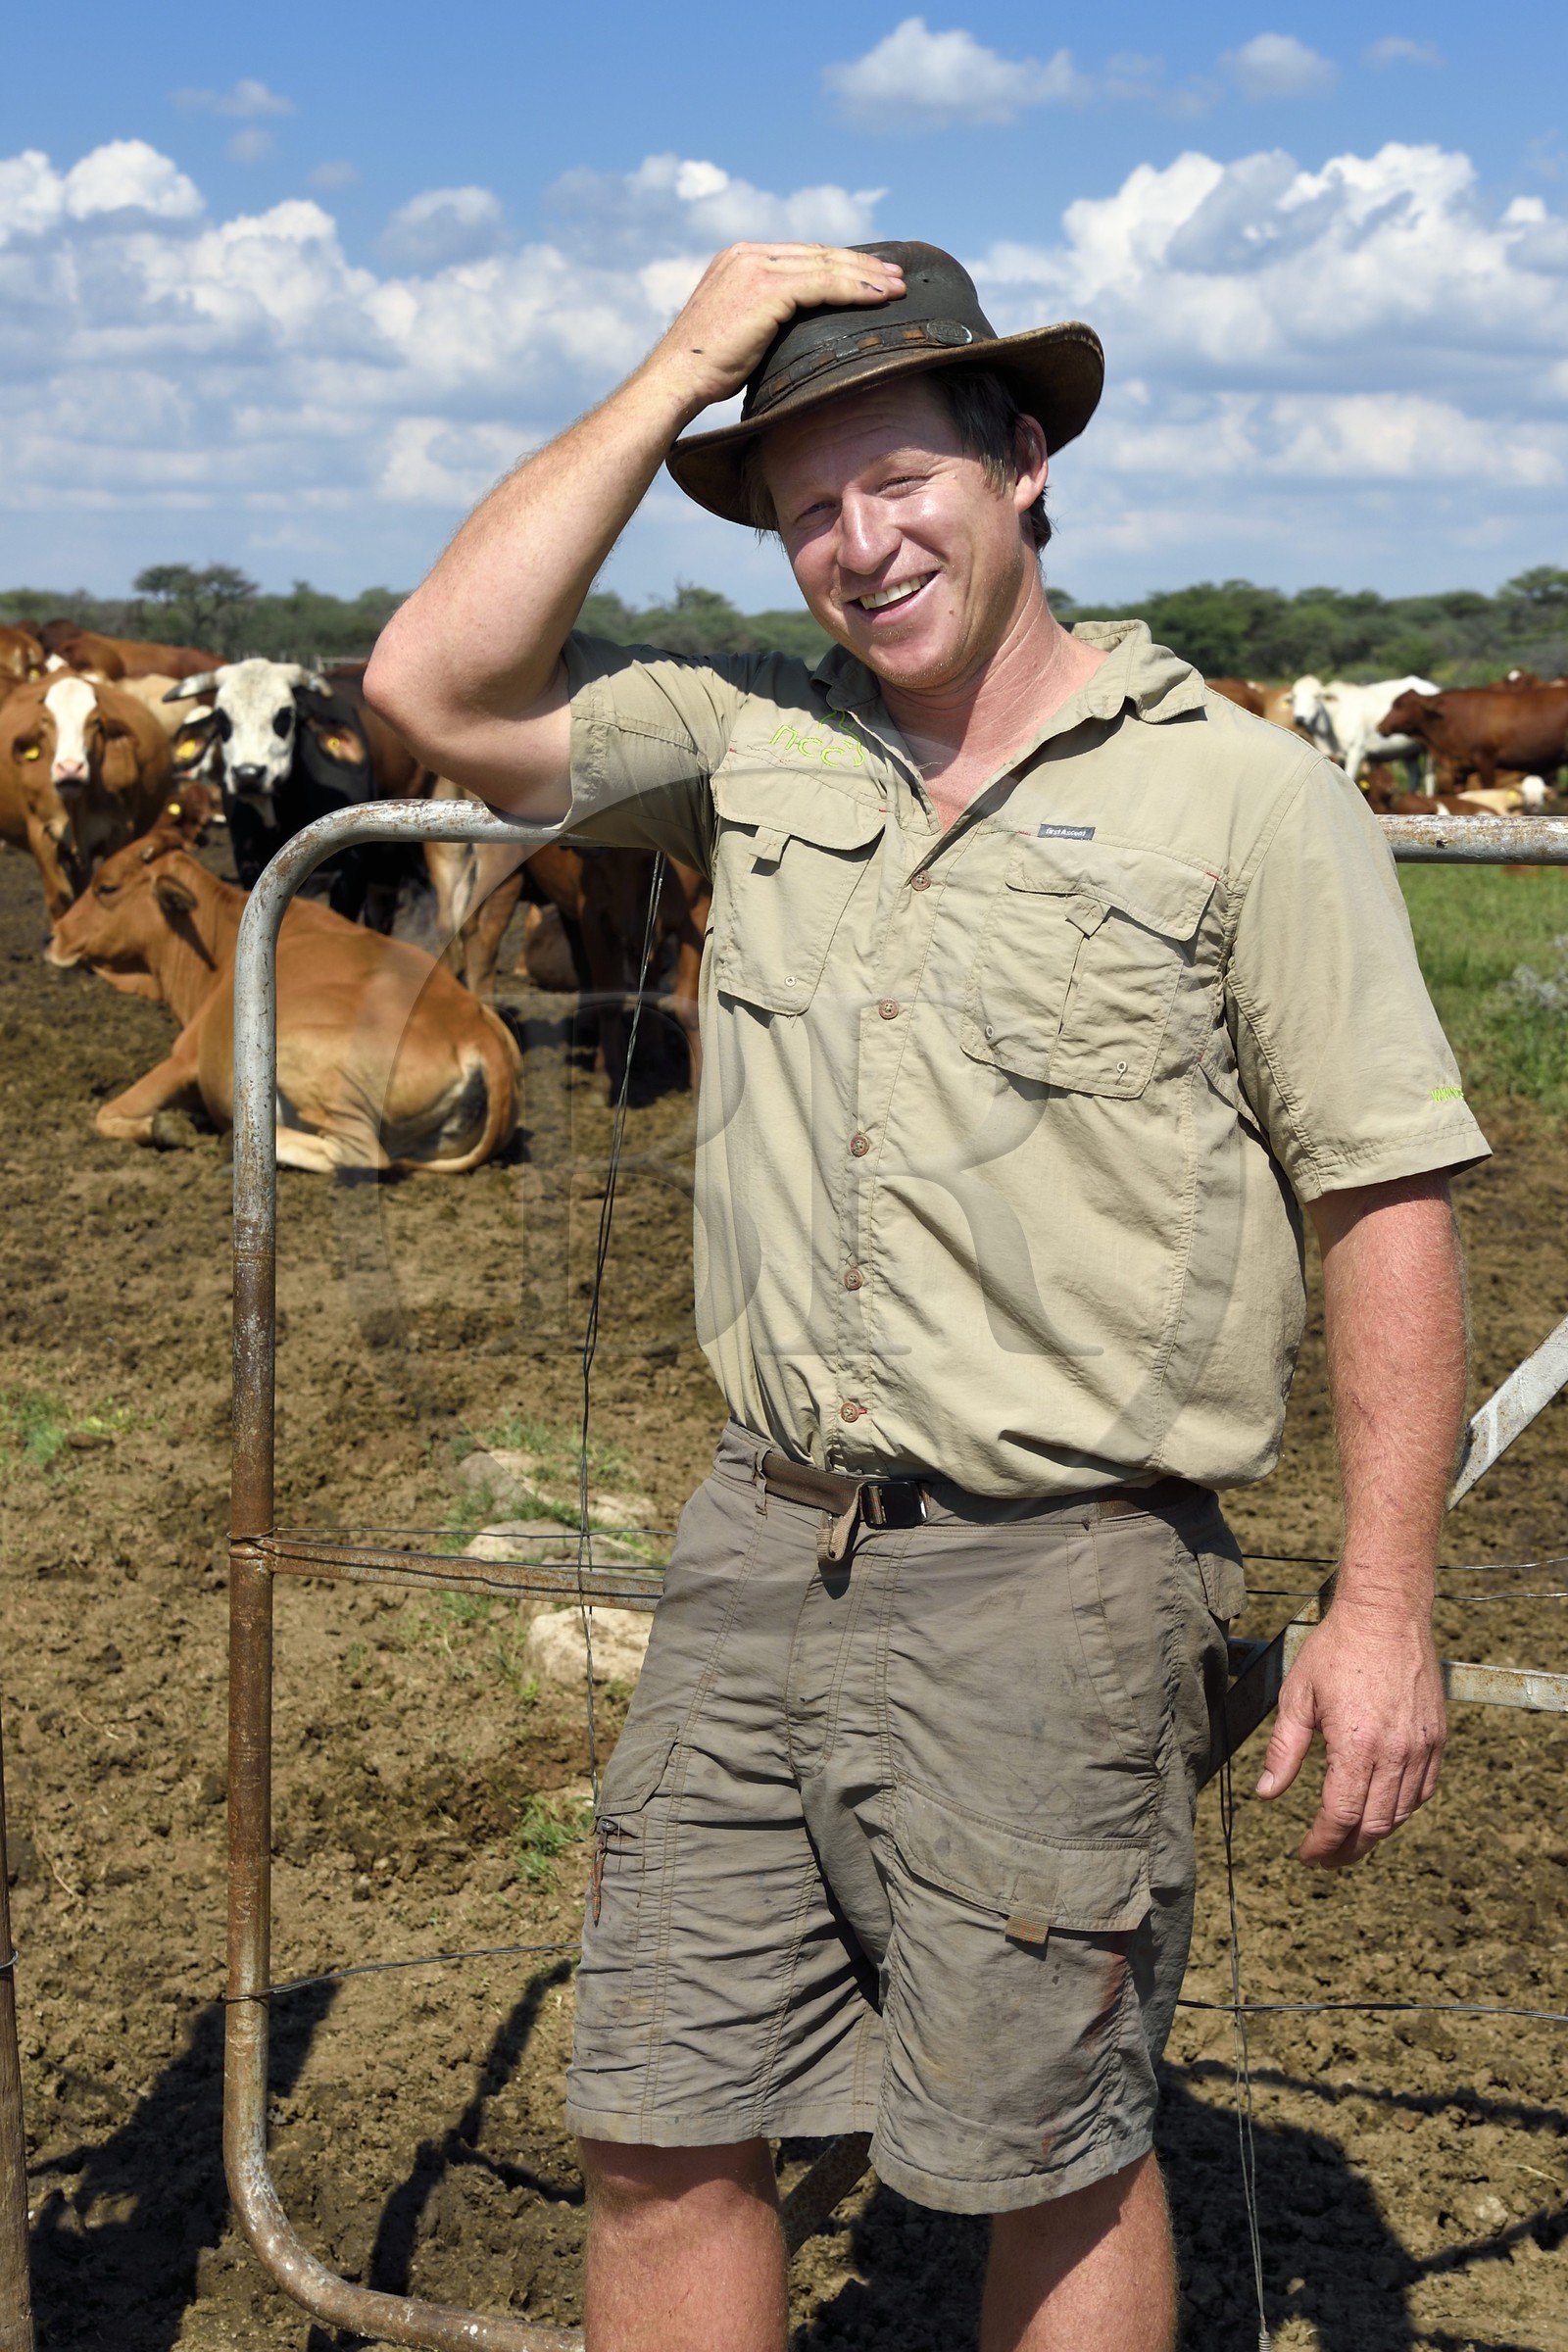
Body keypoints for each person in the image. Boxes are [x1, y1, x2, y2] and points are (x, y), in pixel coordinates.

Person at [366, 239, 1485, 2352]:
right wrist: (685, 359)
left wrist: (1383, 1602)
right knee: (659, 2123)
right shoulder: (740, 760)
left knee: (1038, 2148)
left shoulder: (1238, 799)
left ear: (1025, 461)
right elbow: (429, 684)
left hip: (1060, 1579)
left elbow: (1388, 1198)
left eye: (896, 483)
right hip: (751, 1543)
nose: (853, 548)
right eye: (800, 506)